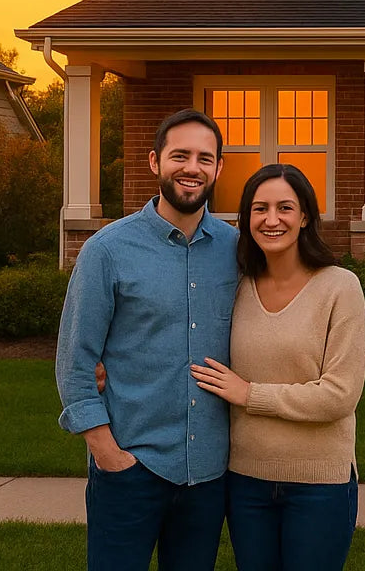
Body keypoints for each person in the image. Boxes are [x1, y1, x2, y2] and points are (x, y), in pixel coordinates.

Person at [55, 108, 238, 571]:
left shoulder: (238, 251)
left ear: (219, 168)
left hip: (207, 475)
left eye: (204, 158)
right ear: (155, 161)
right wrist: (107, 454)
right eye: (180, 155)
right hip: (129, 469)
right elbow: (75, 361)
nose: (192, 167)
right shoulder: (107, 251)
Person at [189, 163, 365, 571]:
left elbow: (339, 395)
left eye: (285, 208)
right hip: (245, 482)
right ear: (246, 219)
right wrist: (111, 360)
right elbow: (186, 334)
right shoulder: (236, 287)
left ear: (305, 216)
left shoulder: (340, 287)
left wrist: (250, 394)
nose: (272, 220)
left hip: (320, 485)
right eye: (260, 209)